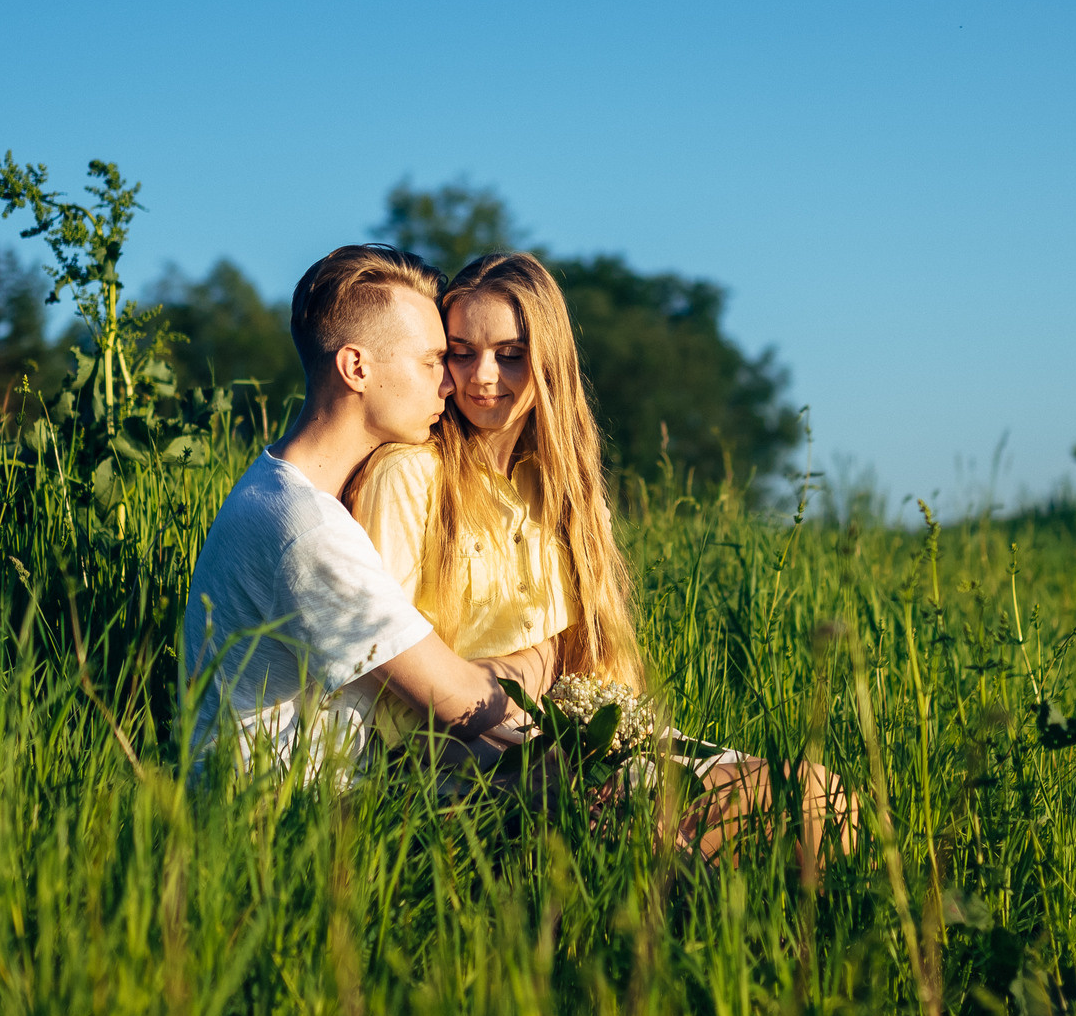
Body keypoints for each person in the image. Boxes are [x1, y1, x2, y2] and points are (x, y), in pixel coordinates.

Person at [346, 251, 851, 863]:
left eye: (509, 353)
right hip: (460, 759)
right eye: (461, 351)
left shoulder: (564, 489)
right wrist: (539, 665)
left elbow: (597, 660)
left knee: (824, 798)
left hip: (583, 737)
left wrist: (598, 720)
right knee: (733, 822)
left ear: (548, 359)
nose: (482, 375)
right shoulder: (408, 475)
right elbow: (383, 668)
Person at [180, 244, 532, 775]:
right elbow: (460, 702)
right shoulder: (305, 529)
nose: (449, 382)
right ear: (357, 367)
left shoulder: (279, 490)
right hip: (285, 825)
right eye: (432, 360)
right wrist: (551, 659)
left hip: (339, 799)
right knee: (625, 792)